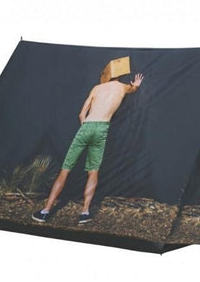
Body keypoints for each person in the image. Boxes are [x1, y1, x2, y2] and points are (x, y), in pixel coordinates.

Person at [32, 72, 144, 224]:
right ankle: (85, 212)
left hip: (87, 126)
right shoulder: (122, 88)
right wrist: (135, 85)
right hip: (103, 128)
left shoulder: (97, 88)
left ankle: (45, 211)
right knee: (93, 171)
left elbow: (81, 114)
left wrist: (85, 129)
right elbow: (132, 89)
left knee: (65, 170)